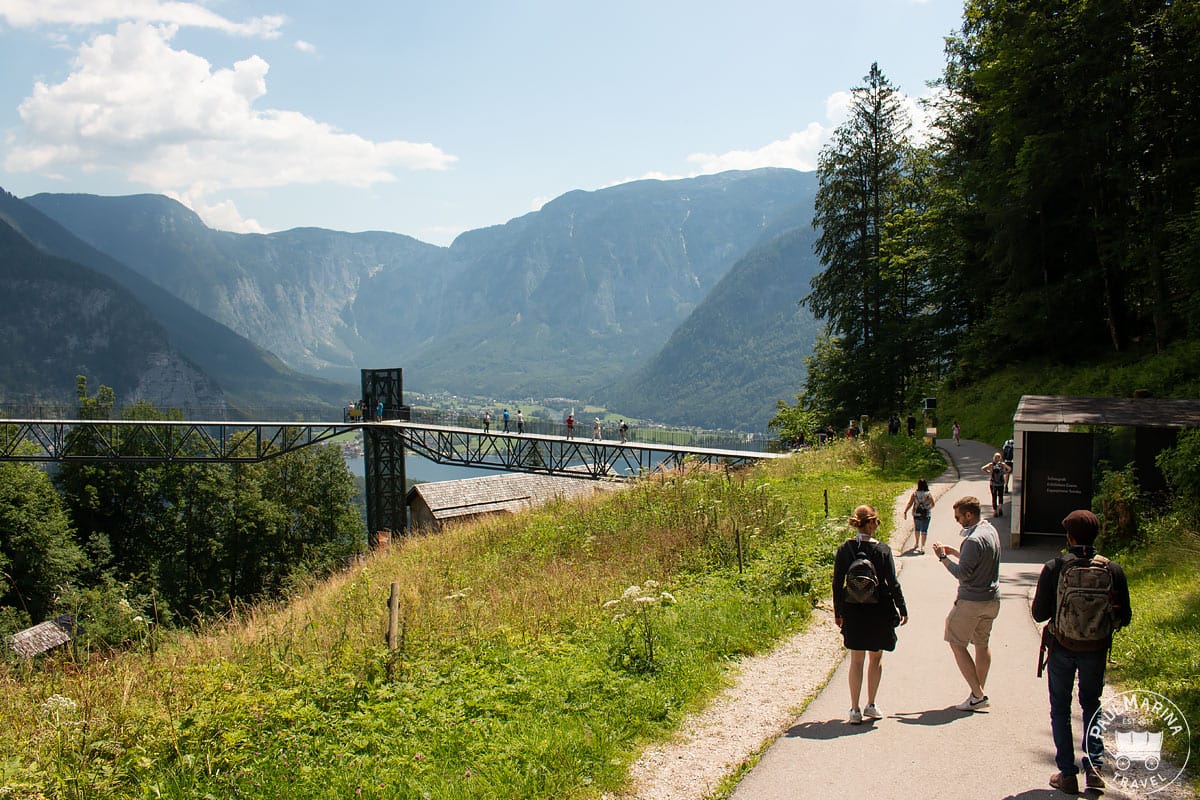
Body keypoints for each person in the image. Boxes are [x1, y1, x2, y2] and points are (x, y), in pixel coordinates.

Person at [1031, 510, 1132, 794]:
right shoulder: (1112, 569)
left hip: (1062, 646)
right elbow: (1125, 616)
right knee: (1091, 704)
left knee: (1060, 708)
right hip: (1096, 649)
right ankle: (1095, 767)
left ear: (1070, 537)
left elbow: (1039, 614)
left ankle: (1067, 774)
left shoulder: (1055, 567)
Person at [832, 505, 908, 724]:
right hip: (879, 609)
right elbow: (892, 582)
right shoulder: (882, 550)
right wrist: (902, 608)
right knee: (876, 658)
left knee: (856, 660)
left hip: (853, 609)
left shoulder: (845, 549)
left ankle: (854, 709)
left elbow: (837, 583)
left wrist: (838, 611)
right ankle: (871, 704)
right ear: (872, 522)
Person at [931, 495, 1001, 712]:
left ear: (968, 515)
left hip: (971, 601)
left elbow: (962, 573)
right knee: (982, 644)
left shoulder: (971, 540)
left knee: (956, 642)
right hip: (992, 599)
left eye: (958, 517)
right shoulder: (990, 531)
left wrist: (943, 558)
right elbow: (977, 561)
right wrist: (954, 552)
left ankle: (978, 694)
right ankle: (977, 693)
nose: (957, 521)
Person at [902, 478, 936, 554]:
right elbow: (933, 504)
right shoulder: (928, 494)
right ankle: (922, 546)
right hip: (926, 514)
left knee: (917, 529)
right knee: (924, 530)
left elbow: (910, 503)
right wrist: (927, 508)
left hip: (916, 514)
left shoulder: (915, 494)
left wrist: (905, 511)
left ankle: (916, 543)